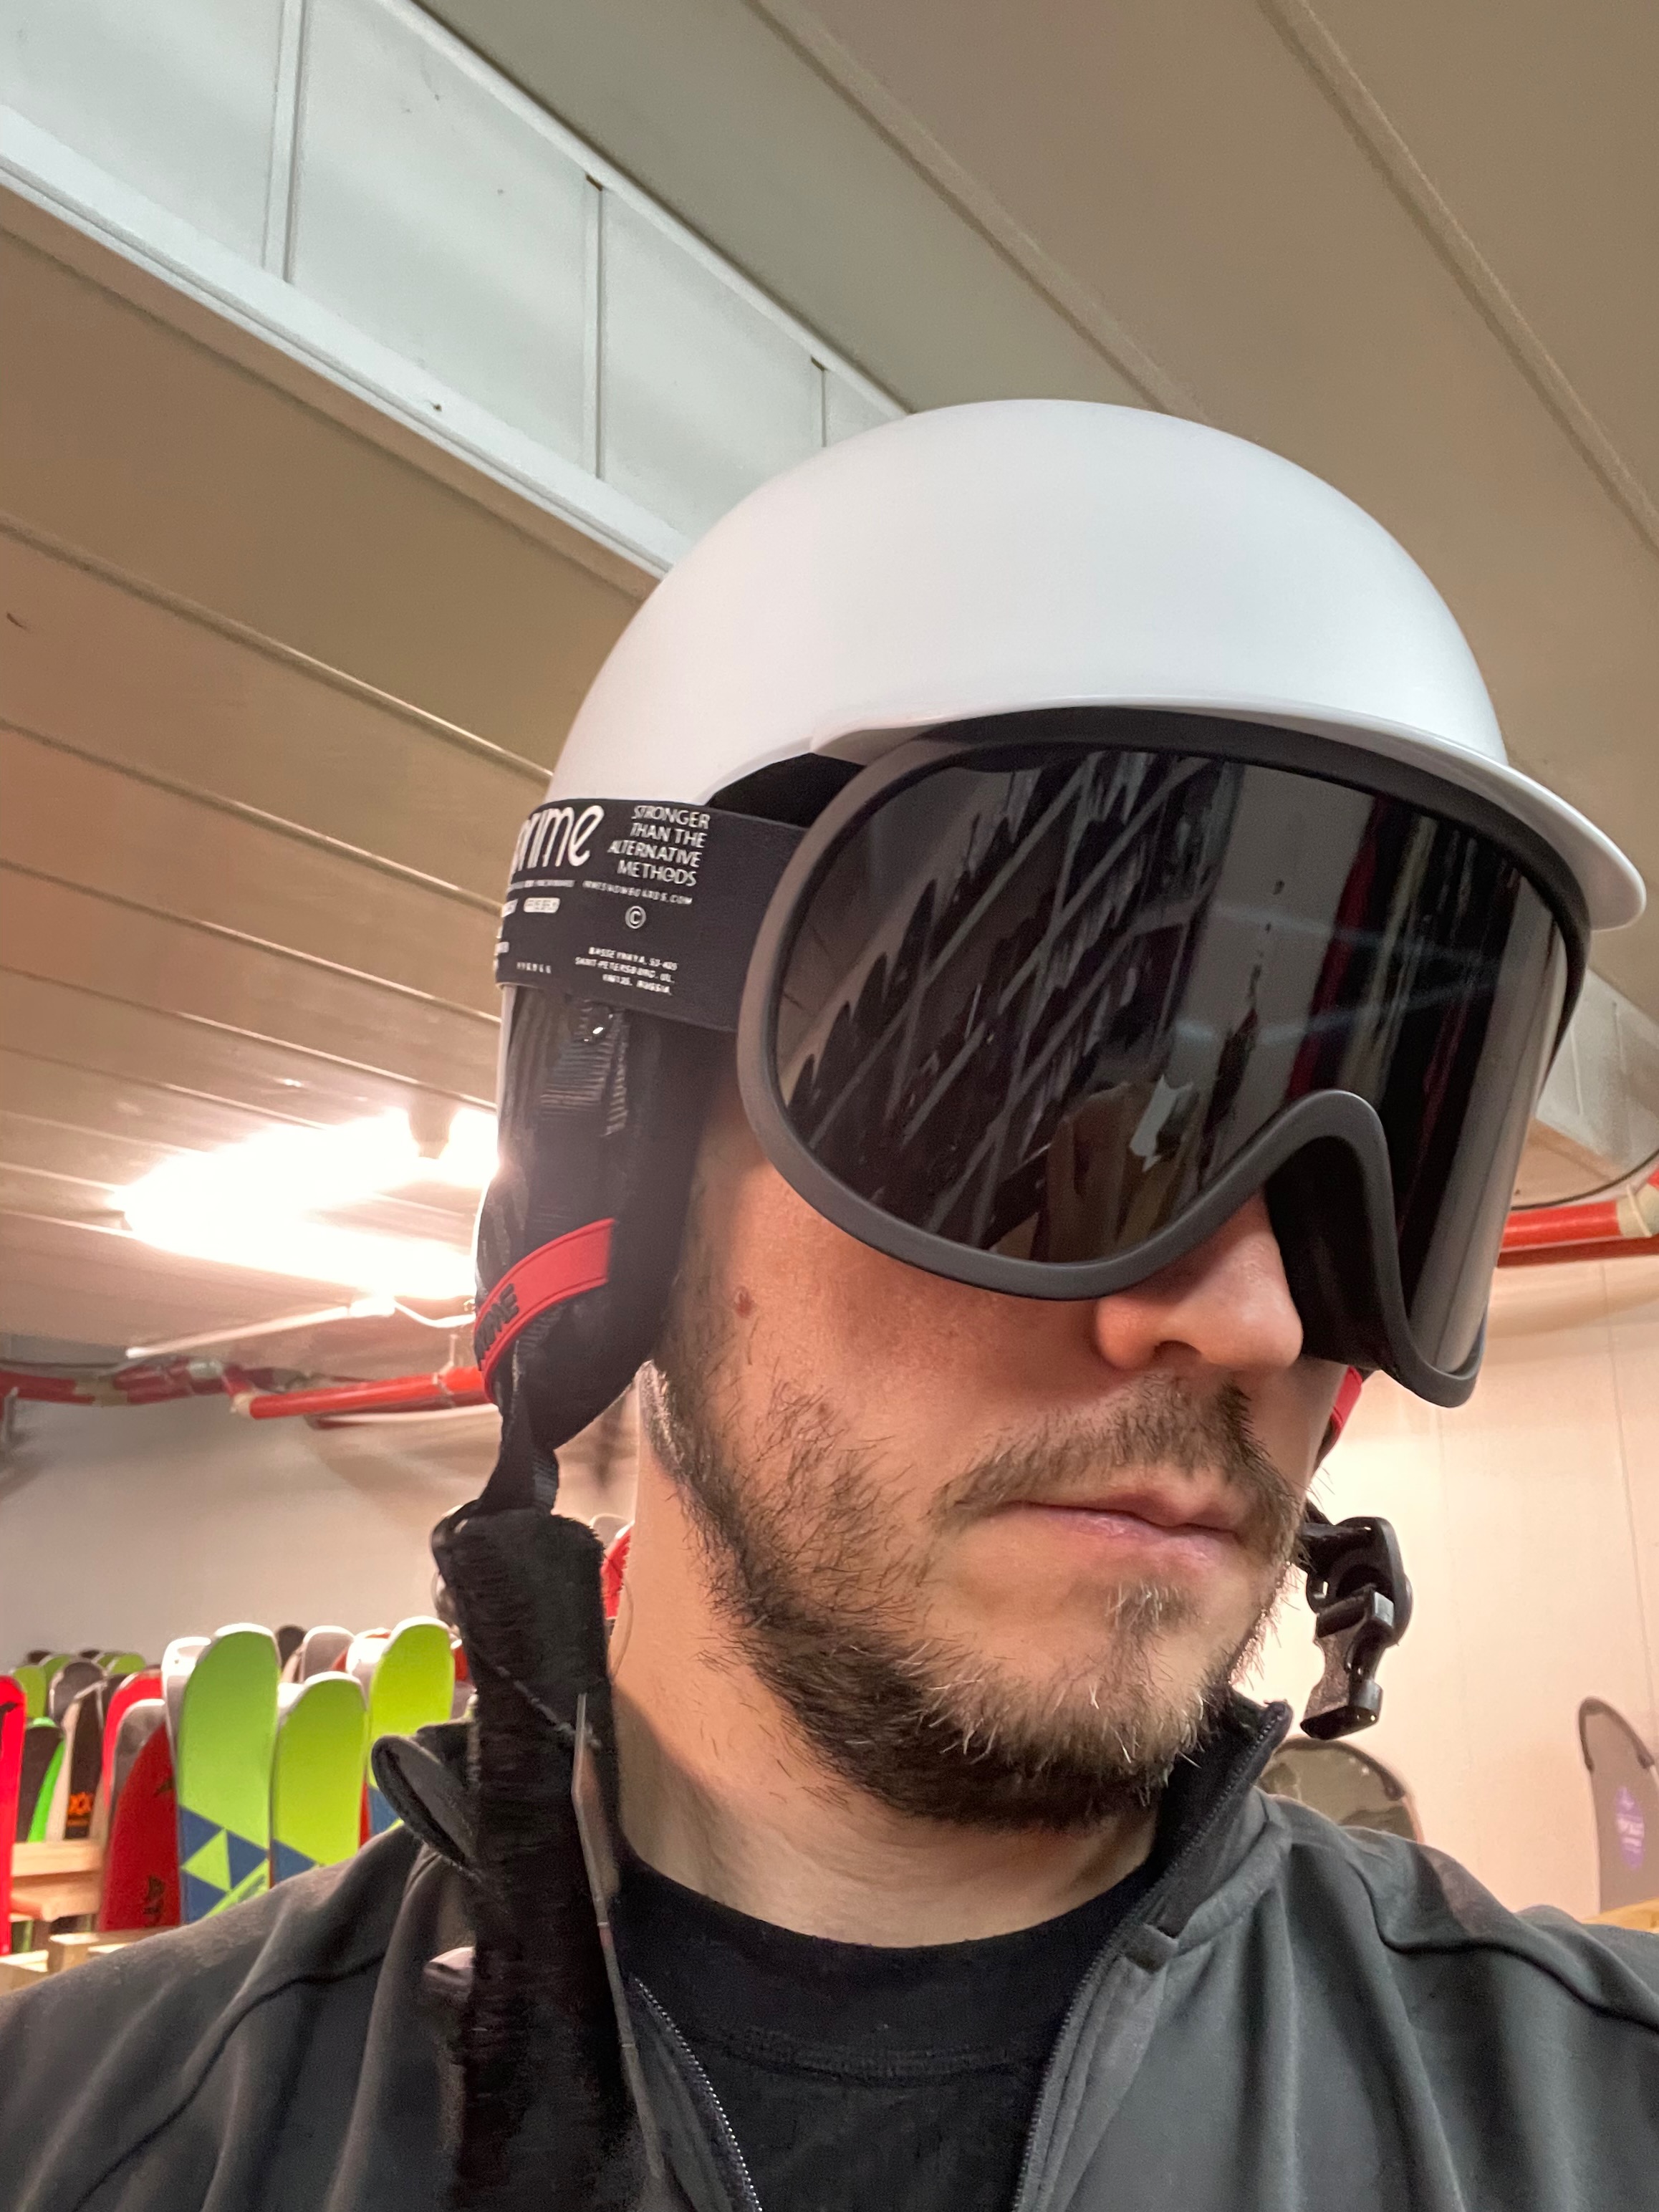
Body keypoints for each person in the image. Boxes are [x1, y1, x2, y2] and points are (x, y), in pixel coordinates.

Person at [5, 402, 1659, 2212]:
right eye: (1039, 1125)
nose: (1254, 1317)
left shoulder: (1600, 2115)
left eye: (1380, 1167)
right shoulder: (90, 2138)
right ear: (616, 1158)